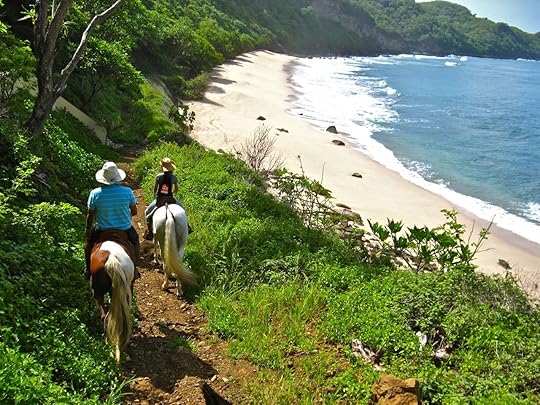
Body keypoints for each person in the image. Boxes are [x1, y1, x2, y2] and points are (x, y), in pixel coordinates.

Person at [84, 161, 140, 279]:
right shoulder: (127, 191)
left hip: (102, 229)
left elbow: (91, 214)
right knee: (135, 242)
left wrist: (87, 229)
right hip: (124, 228)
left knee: (88, 244)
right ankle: (134, 268)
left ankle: (88, 269)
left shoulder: (95, 193)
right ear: (117, 178)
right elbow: (134, 211)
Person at [143, 157, 183, 240]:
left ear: (162, 167)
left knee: (147, 212)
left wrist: (155, 197)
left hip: (160, 198)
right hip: (170, 198)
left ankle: (150, 232)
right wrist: (173, 194)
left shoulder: (158, 176)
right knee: (182, 209)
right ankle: (188, 227)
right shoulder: (174, 178)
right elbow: (176, 189)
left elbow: (155, 189)